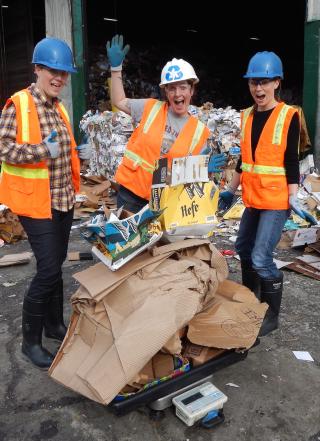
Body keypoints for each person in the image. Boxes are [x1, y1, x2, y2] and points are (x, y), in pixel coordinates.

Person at [0, 37, 91, 369]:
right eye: (53, 71)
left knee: (56, 268)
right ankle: (30, 342)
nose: (59, 78)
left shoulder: (58, 106)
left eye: (64, 73)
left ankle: (54, 325)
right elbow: (4, 149)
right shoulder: (19, 104)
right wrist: (42, 151)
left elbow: (61, 149)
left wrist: (76, 152)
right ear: (38, 69)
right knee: (48, 269)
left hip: (63, 201)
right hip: (36, 204)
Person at [218, 51, 317, 337]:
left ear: (276, 83)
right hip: (252, 199)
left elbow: (290, 160)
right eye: (253, 83)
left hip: (275, 201)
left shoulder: (289, 115)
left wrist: (293, 196)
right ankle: (252, 299)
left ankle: (271, 315)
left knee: (261, 257)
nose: (258, 89)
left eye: (264, 82)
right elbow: (244, 160)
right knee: (243, 249)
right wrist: (229, 190)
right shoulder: (246, 115)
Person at [106, 34, 226, 213]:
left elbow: (190, 178)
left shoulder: (200, 132)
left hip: (165, 203)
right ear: (166, 92)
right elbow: (119, 101)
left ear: (192, 90)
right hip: (131, 194)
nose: (178, 94)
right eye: (172, 88)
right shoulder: (150, 108)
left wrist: (203, 169)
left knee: (159, 242)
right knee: (127, 242)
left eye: (183, 87)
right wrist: (116, 69)